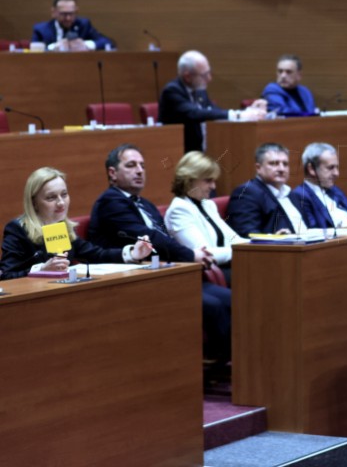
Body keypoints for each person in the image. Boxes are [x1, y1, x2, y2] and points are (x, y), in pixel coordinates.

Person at [88, 143, 232, 373]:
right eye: (131, 165)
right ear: (112, 173)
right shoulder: (110, 202)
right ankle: (211, 367)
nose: (139, 171)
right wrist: (190, 254)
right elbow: (151, 237)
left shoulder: (145, 204)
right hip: (131, 281)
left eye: (143, 166)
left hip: (165, 273)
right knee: (213, 305)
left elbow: (165, 239)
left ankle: (227, 363)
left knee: (229, 298)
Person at [0, 167, 151, 280]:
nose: (61, 203)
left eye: (64, 195)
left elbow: (96, 254)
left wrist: (132, 253)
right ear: (34, 203)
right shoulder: (18, 229)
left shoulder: (60, 228)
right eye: (51, 198)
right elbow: (6, 275)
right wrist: (41, 269)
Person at [164, 152, 247, 287]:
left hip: (227, 267)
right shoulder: (178, 210)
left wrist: (261, 245)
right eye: (208, 180)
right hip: (205, 276)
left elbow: (233, 239)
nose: (213, 186)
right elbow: (206, 254)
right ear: (189, 179)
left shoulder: (207, 204)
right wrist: (243, 250)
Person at [159, 50, 266, 152]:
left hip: (205, 148)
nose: (209, 78)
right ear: (187, 77)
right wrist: (237, 115)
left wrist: (245, 112)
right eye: (204, 75)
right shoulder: (172, 91)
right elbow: (195, 113)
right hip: (182, 153)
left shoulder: (198, 89)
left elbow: (213, 112)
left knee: (232, 152)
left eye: (209, 73)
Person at [227, 143, 308, 236]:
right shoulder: (246, 193)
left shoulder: (290, 193)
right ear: (258, 168)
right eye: (274, 163)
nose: (281, 169)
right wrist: (274, 238)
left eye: (285, 164)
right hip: (279, 249)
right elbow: (247, 233)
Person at [292, 142, 347, 229]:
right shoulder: (300, 195)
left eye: (337, 167)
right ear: (311, 169)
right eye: (330, 168)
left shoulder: (335, 190)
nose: (337, 173)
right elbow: (315, 231)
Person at [31, 0, 113, 52]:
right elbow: (33, 52)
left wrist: (86, 45)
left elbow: (107, 42)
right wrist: (53, 48)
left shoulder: (84, 25)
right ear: (54, 12)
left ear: (76, 11)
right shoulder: (41, 30)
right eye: (64, 14)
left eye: (71, 14)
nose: (68, 18)